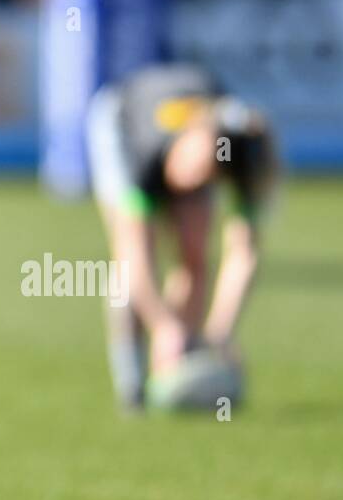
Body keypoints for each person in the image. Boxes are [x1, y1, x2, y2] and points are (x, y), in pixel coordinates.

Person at [85, 62, 277, 409]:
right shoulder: (143, 153)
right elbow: (135, 259)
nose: (188, 187)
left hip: (193, 137)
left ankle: (181, 363)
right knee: (125, 262)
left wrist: (220, 332)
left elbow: (244, 253)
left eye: (202, 181)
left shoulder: (241, 152)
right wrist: (162, 325)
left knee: (194, 251)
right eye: (189, 173)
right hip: (119, 117)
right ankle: (132, 380)